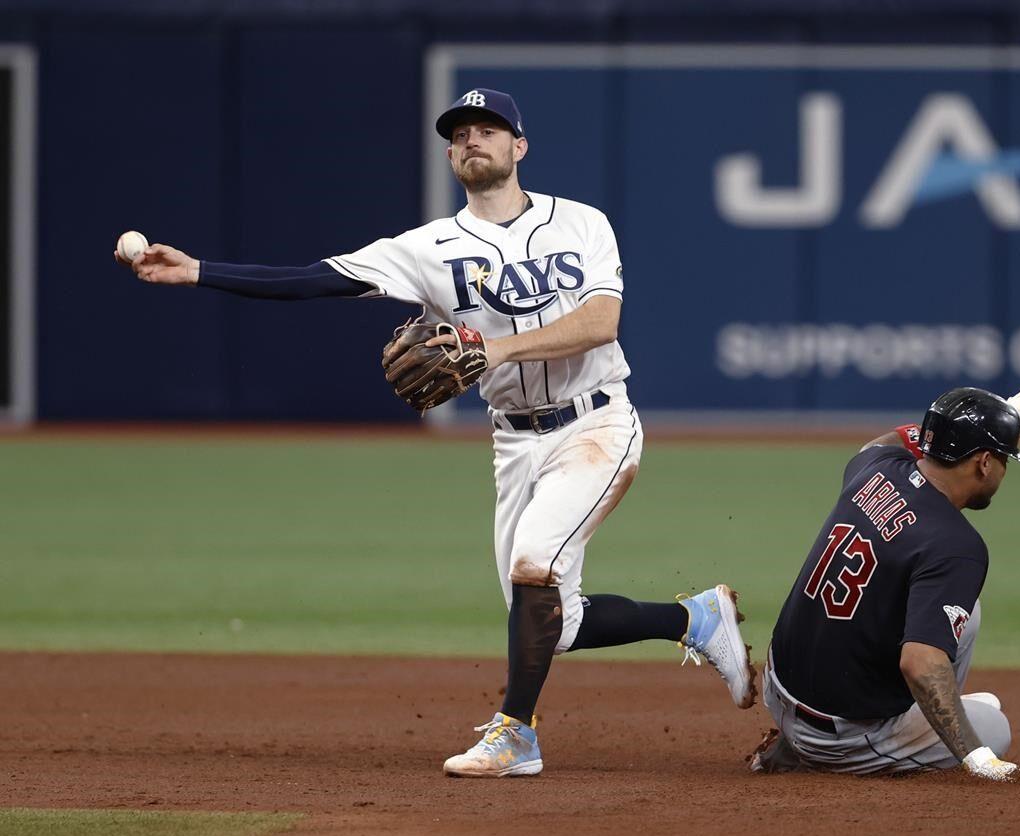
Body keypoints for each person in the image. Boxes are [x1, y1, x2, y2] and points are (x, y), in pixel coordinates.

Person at [117, 87, 756, 778]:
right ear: (451, 154)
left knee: (533, 561)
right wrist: (200, 272)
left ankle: (517, 733)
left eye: (489, 129)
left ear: (520, 147)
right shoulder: (428, 248)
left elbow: (601, 323)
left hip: (597, 422)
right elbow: (313, 279)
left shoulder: (582, 224)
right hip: (514, 441)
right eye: (460, 133)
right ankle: (696, 618)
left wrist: (497, 348)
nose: (473, 140)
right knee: (551, 619)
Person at [749, 384, 1020, 781]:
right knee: (993, 725)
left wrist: (957, 428)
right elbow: (920, 663)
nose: (1004, 469)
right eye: (1004, 458)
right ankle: (818, 753)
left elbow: (889, 440)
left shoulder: (875, 469)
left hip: (778, 687)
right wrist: (975, 756)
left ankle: (793, 743)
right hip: (842, 737)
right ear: (984, 463)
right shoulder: (957, 545)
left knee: (963, 611)